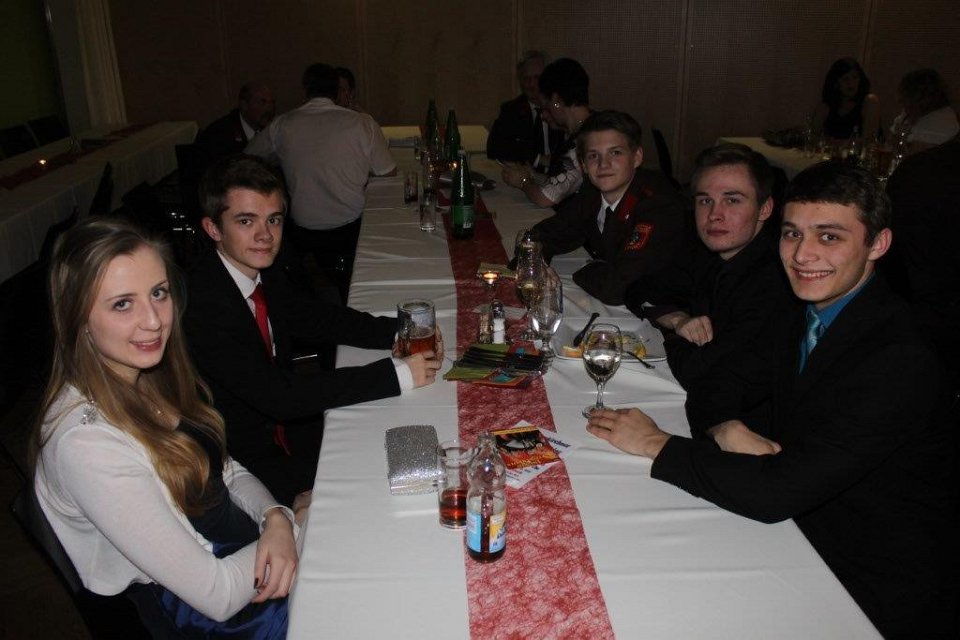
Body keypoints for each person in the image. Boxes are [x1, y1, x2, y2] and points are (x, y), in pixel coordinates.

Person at [586, 162, 956, 638]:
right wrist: (724, 426)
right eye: (792, 233)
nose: (802, 255)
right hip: (800, 519)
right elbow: (719, 382)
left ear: (877, 244)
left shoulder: (899, 357)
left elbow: (779, 492)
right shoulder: (803, 309)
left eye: (829, 237)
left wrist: (657, 444)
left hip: (868, 576)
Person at [33, 218, 304, 637]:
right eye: (122, 304)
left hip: (241, 550)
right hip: (213, 613)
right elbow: (216, 595)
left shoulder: (144, 375)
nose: (154, 321)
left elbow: (226, 469)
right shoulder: (86, 445)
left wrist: (275, 517)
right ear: (77, 318)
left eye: (158, 293)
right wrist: (297, 528)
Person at [184, 155, 440, 505]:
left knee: (392, 442)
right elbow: (280, 397)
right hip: (237, 463)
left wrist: (402, 332)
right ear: (213, 229)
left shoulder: (261, 269)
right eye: (246, 221)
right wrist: (396, 375)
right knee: (380, 485)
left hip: (286, 431)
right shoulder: (202, 306)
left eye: (273, 220)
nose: (265, 235)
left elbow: (318, 317)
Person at [624, 143, 796, 431]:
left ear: (765, 208)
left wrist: (669, 337)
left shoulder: (774, 281)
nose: (714, 214)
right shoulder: (707, 251)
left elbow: (698, 372)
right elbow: (638, 289)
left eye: (732, 200)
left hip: (748, 431)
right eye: (705, 200)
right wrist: (676, 319)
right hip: (701, 405)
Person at [246, 63, 395, 303]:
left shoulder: (283, 124)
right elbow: (388, 173)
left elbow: (249, 156)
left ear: (306, 90)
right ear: (337, 92)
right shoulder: (361, 123)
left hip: (303, 233)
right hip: (351, 230)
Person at [526, 110, 687, 305]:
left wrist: (586, 269)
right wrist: (536, 262)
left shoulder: (658, 205)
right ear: (584, 165)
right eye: (593, 155)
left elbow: (618, 287)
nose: (603, 164)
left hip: (669, 309)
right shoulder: (593, 193)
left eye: (615, 153)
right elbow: (542, 235)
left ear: (636, 157)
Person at [501, 57, 590, 209]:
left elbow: (545, 199)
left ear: (555, 100)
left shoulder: (584, 141)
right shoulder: (588, 128)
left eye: (546, 106)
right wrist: (533, 176)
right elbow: (564, 184)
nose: (543, 115)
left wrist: (523, 181)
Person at [486, 50, 564, 172]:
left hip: (561, 177)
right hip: (526, 176)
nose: (531, 84)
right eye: (526, 78)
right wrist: (537, 158)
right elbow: (494, 148)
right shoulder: (511, 110)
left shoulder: (560, 107)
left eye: (536, 78)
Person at [196, 82, 276, 159]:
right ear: (244, 105)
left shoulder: (272, 131)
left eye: (272, 102)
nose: (269, 109)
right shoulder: (219, 135)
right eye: (262, 102)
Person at [889, 68, 959, 149]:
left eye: (906, 95)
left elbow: (917, 150)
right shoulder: (910, 113)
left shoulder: (943, 119)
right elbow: (892, 138)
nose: (899, 100)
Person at [813, 57, 880, 141]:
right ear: (836, 83)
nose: (851, 83)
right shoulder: (826, 106)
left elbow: (869, 140)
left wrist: (834, 143)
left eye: (855, 77)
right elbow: (812, 136)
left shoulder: (869, 101)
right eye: (845, 79)